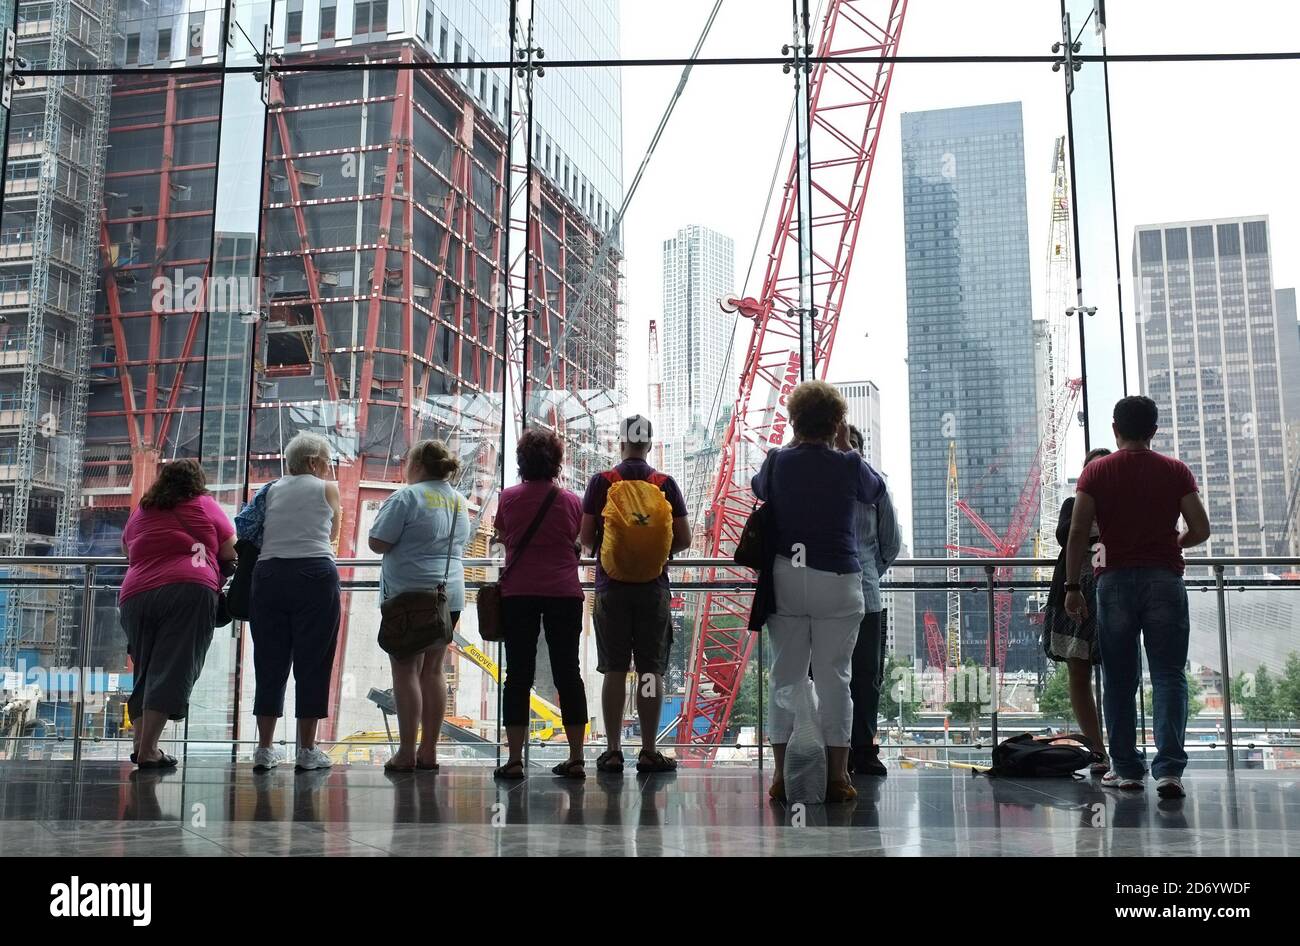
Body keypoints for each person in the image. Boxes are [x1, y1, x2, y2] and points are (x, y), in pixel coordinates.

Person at [1064, 396, 1211, 800]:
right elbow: (1201, 528)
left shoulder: (1096, 472)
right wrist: (1176, 540)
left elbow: (1078, 532)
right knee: (1168, 675)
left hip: (1112, 582)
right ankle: (1168, 772)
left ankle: (1126, 768)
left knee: (1119, 678)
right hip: (1164, 579)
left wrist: (1073, 589)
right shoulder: (1175, 470)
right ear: (1154, 431)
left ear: (1115, 428)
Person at [753, 381, 885, 803]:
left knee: (785, 678)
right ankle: (838, 777)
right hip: (839, 582)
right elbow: (875, 491)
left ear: (794, 420)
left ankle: (780, 775)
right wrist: (847, 448)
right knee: (835, 680)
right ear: (835, 422)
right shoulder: (848, 465)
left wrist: (793, 441)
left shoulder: (777, 461)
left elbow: (759, 489)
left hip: (787, 579)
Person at [580, 415, 691, 774]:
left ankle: (613, 751)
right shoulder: (665, 483)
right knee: (649, 672)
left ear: (620, 442)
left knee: (613, 669)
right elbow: (685, 539)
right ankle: (647, 750)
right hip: (653, 590)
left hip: (611, 589)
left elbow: (585, 540)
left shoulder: (602, 482)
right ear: (650, 445)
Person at [118, 459, 236, 767]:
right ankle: (148, 750)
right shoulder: (204, 505)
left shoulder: (141, 511)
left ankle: (142, 745)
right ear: (197, 481)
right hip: (188, 590)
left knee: (146, 668)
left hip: (135, 595)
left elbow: (128, 550)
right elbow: (231, 551)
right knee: (172, 668)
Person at [491, 429, 588, 780]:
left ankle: (515, 760)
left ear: (521, 462)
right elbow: (579, 539)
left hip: (519, 593)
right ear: (556, 463)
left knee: (518, 676)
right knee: (568, 674)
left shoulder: (508, 498)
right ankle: (576, 758)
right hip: (564, 591)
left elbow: (502, 538)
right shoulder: (572, 501)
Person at [368, 439, 469, 772]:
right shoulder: (459, 501)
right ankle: (430, 752)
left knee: (405, 669)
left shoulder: (406, 497)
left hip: (409, 595)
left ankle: (407, 753)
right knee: (434, 670)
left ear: (418, 465)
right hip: (448, 595)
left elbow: (377, 542)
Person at [249, 432, 343, 772]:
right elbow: (332, 534)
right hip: (314, 575)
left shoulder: (271, 489)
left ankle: (264, 749)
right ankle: (306, 750)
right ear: (315, 462)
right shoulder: (327, 488)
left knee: (269, 661)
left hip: (269, 575)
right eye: (327, 461)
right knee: (313, 662)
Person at [1042, 447, 1112, 774]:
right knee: (1078, 674)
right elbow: (1065, 534)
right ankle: (1097, 749)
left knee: (1116, 674)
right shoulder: (1072, 504)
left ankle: (1119, 749)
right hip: (1071, 598)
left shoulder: (1118, 507)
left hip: (1110, 596)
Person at [846, 424, 900, 777]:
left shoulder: (874, 486)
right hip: (851, 596)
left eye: (851, 446)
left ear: (861, 453)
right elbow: (889, 545)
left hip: (863, 597)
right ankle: (850, 751)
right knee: (849, 676)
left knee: (864, 678)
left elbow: (891, 543)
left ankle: (860, 749)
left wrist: (866, 572)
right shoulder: (831, 488)